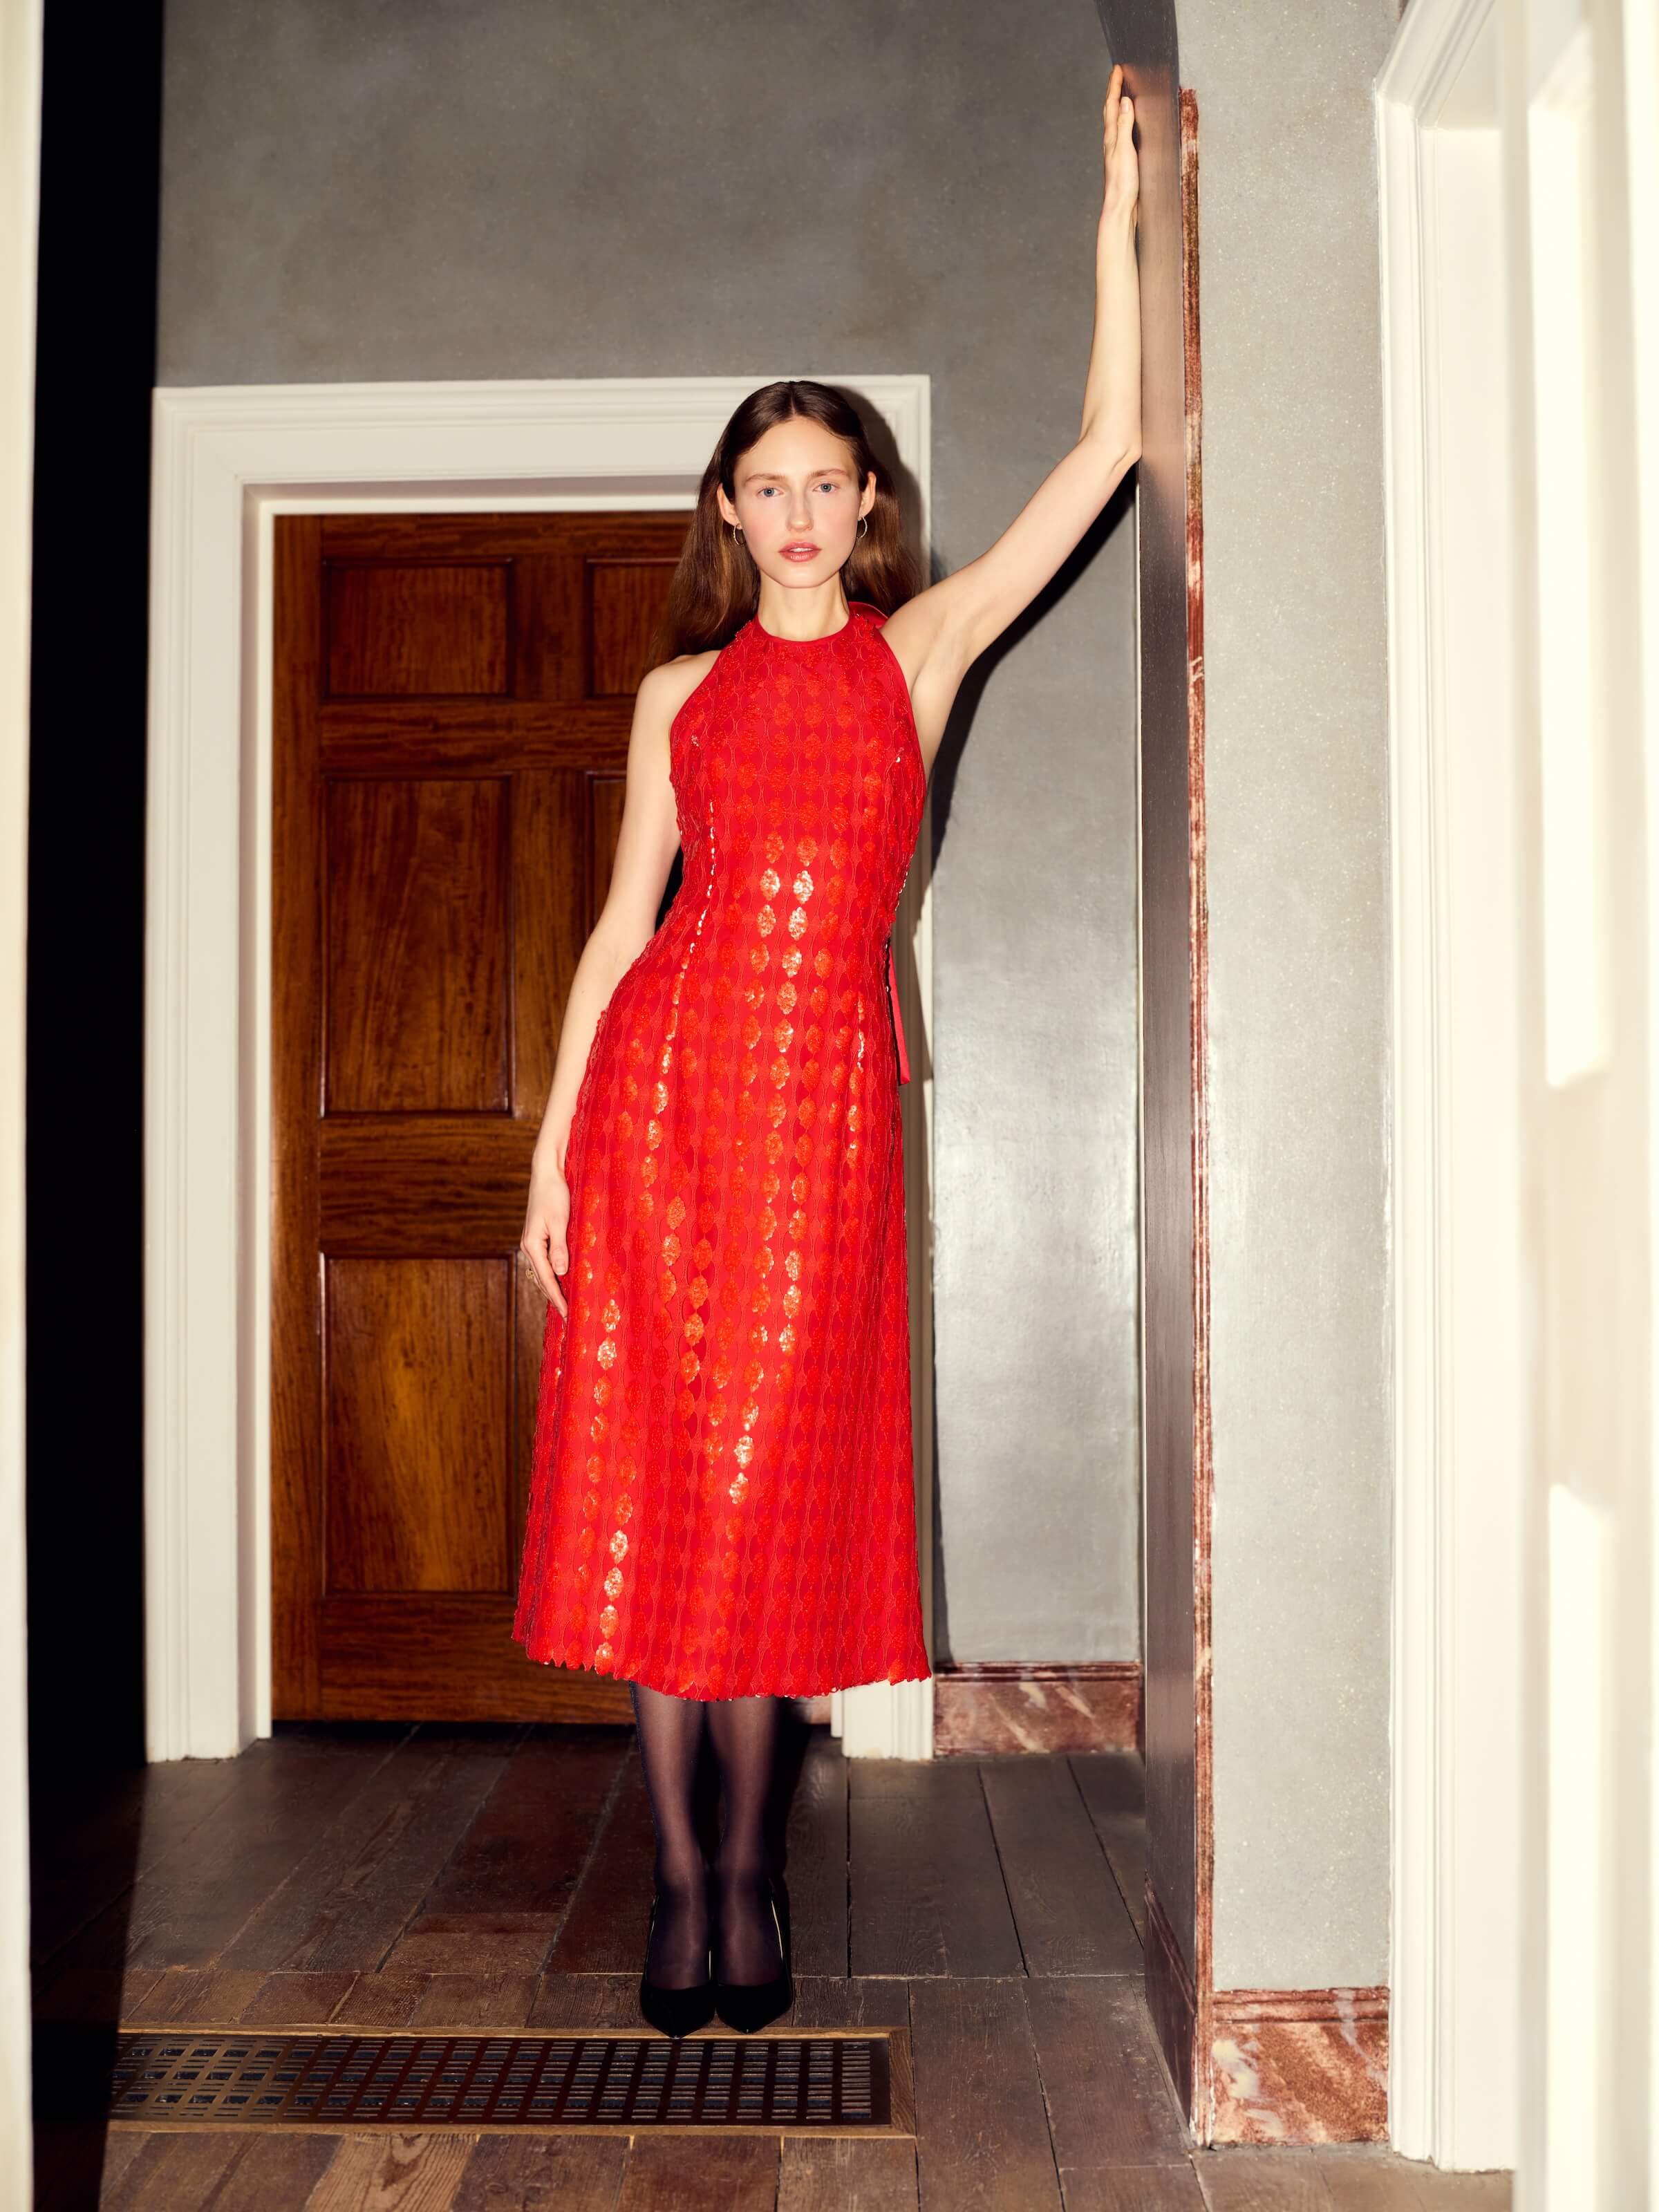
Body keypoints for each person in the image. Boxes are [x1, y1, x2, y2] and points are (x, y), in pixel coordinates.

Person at [514, 64, 1141, 2038]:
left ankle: (757, 1869)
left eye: (827, 483)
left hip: (822, 1134)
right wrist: (549, 1158)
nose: (797, 514)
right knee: (656, 1495)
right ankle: (689, 1888)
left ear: (869, 504)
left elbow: (1117, 443)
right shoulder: (677, 694)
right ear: (730, 509)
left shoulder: (920, 652)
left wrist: (1118, 216)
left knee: (764, 1502)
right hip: (662, 1119)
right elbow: (622, 928)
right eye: (764, 487)